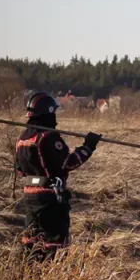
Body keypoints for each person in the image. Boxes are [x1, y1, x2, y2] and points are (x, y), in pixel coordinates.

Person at [15, 92, 101, 261]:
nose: (55, 117)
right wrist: (88, 147)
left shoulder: (22, 138)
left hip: (29, 196)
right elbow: (68, 163)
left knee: (31, 241)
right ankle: (51, 279)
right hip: (49, 197)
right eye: (53, 113)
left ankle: (27, 277)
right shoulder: (48, 137)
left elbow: (20, 170)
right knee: (54, 243)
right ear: (47, 113)